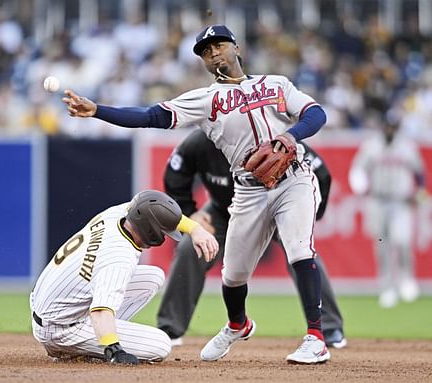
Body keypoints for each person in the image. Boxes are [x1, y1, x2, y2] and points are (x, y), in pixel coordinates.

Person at [62, 24, 330, 364]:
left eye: (218, 45)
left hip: (294, 179)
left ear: (236, 48)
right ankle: (238, 325)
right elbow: (150, 116)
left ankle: (316, 337)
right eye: (205, 51)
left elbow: (315, 113)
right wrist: (99, 110)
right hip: (248, 190)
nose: (213, 53)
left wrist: (291, 136)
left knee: (299, 250)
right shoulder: (205, 100)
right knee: (232, 275)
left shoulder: (275, 84)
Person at [156, 129, 347, 348]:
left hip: (274, 208)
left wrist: (311, 213)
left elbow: (320, 171)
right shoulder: (201, 141)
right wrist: (191, 213)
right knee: (191, 246)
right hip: (223, 211)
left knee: (302, 251)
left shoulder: (268, 134)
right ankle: (169, 329)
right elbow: (174, 175)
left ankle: (329, 327)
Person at [30, 189, 219, 365]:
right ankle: (78, 347)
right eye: (163, 231)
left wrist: (195, 229)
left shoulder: (117, 215)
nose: (165, 235)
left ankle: (94, 334)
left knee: (153, 277)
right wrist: (114, 349)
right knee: (161, 345)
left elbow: (152, 208)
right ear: (151, 230)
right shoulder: (119, 257)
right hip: (60, 329)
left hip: (50, 303)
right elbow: (100, 310)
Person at [349, 112, 426, 308]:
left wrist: (420, 192)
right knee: (382, 245)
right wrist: (360, 187)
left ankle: (407, 279)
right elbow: (357, 170)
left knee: (402, 241)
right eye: (388, 126)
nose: (390, 130)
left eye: (394, 126)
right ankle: (387, 287)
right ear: (383, 126)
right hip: (377, 200)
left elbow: (419, 172)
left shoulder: (407, 147)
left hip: (401, 201)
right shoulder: (371, 146)